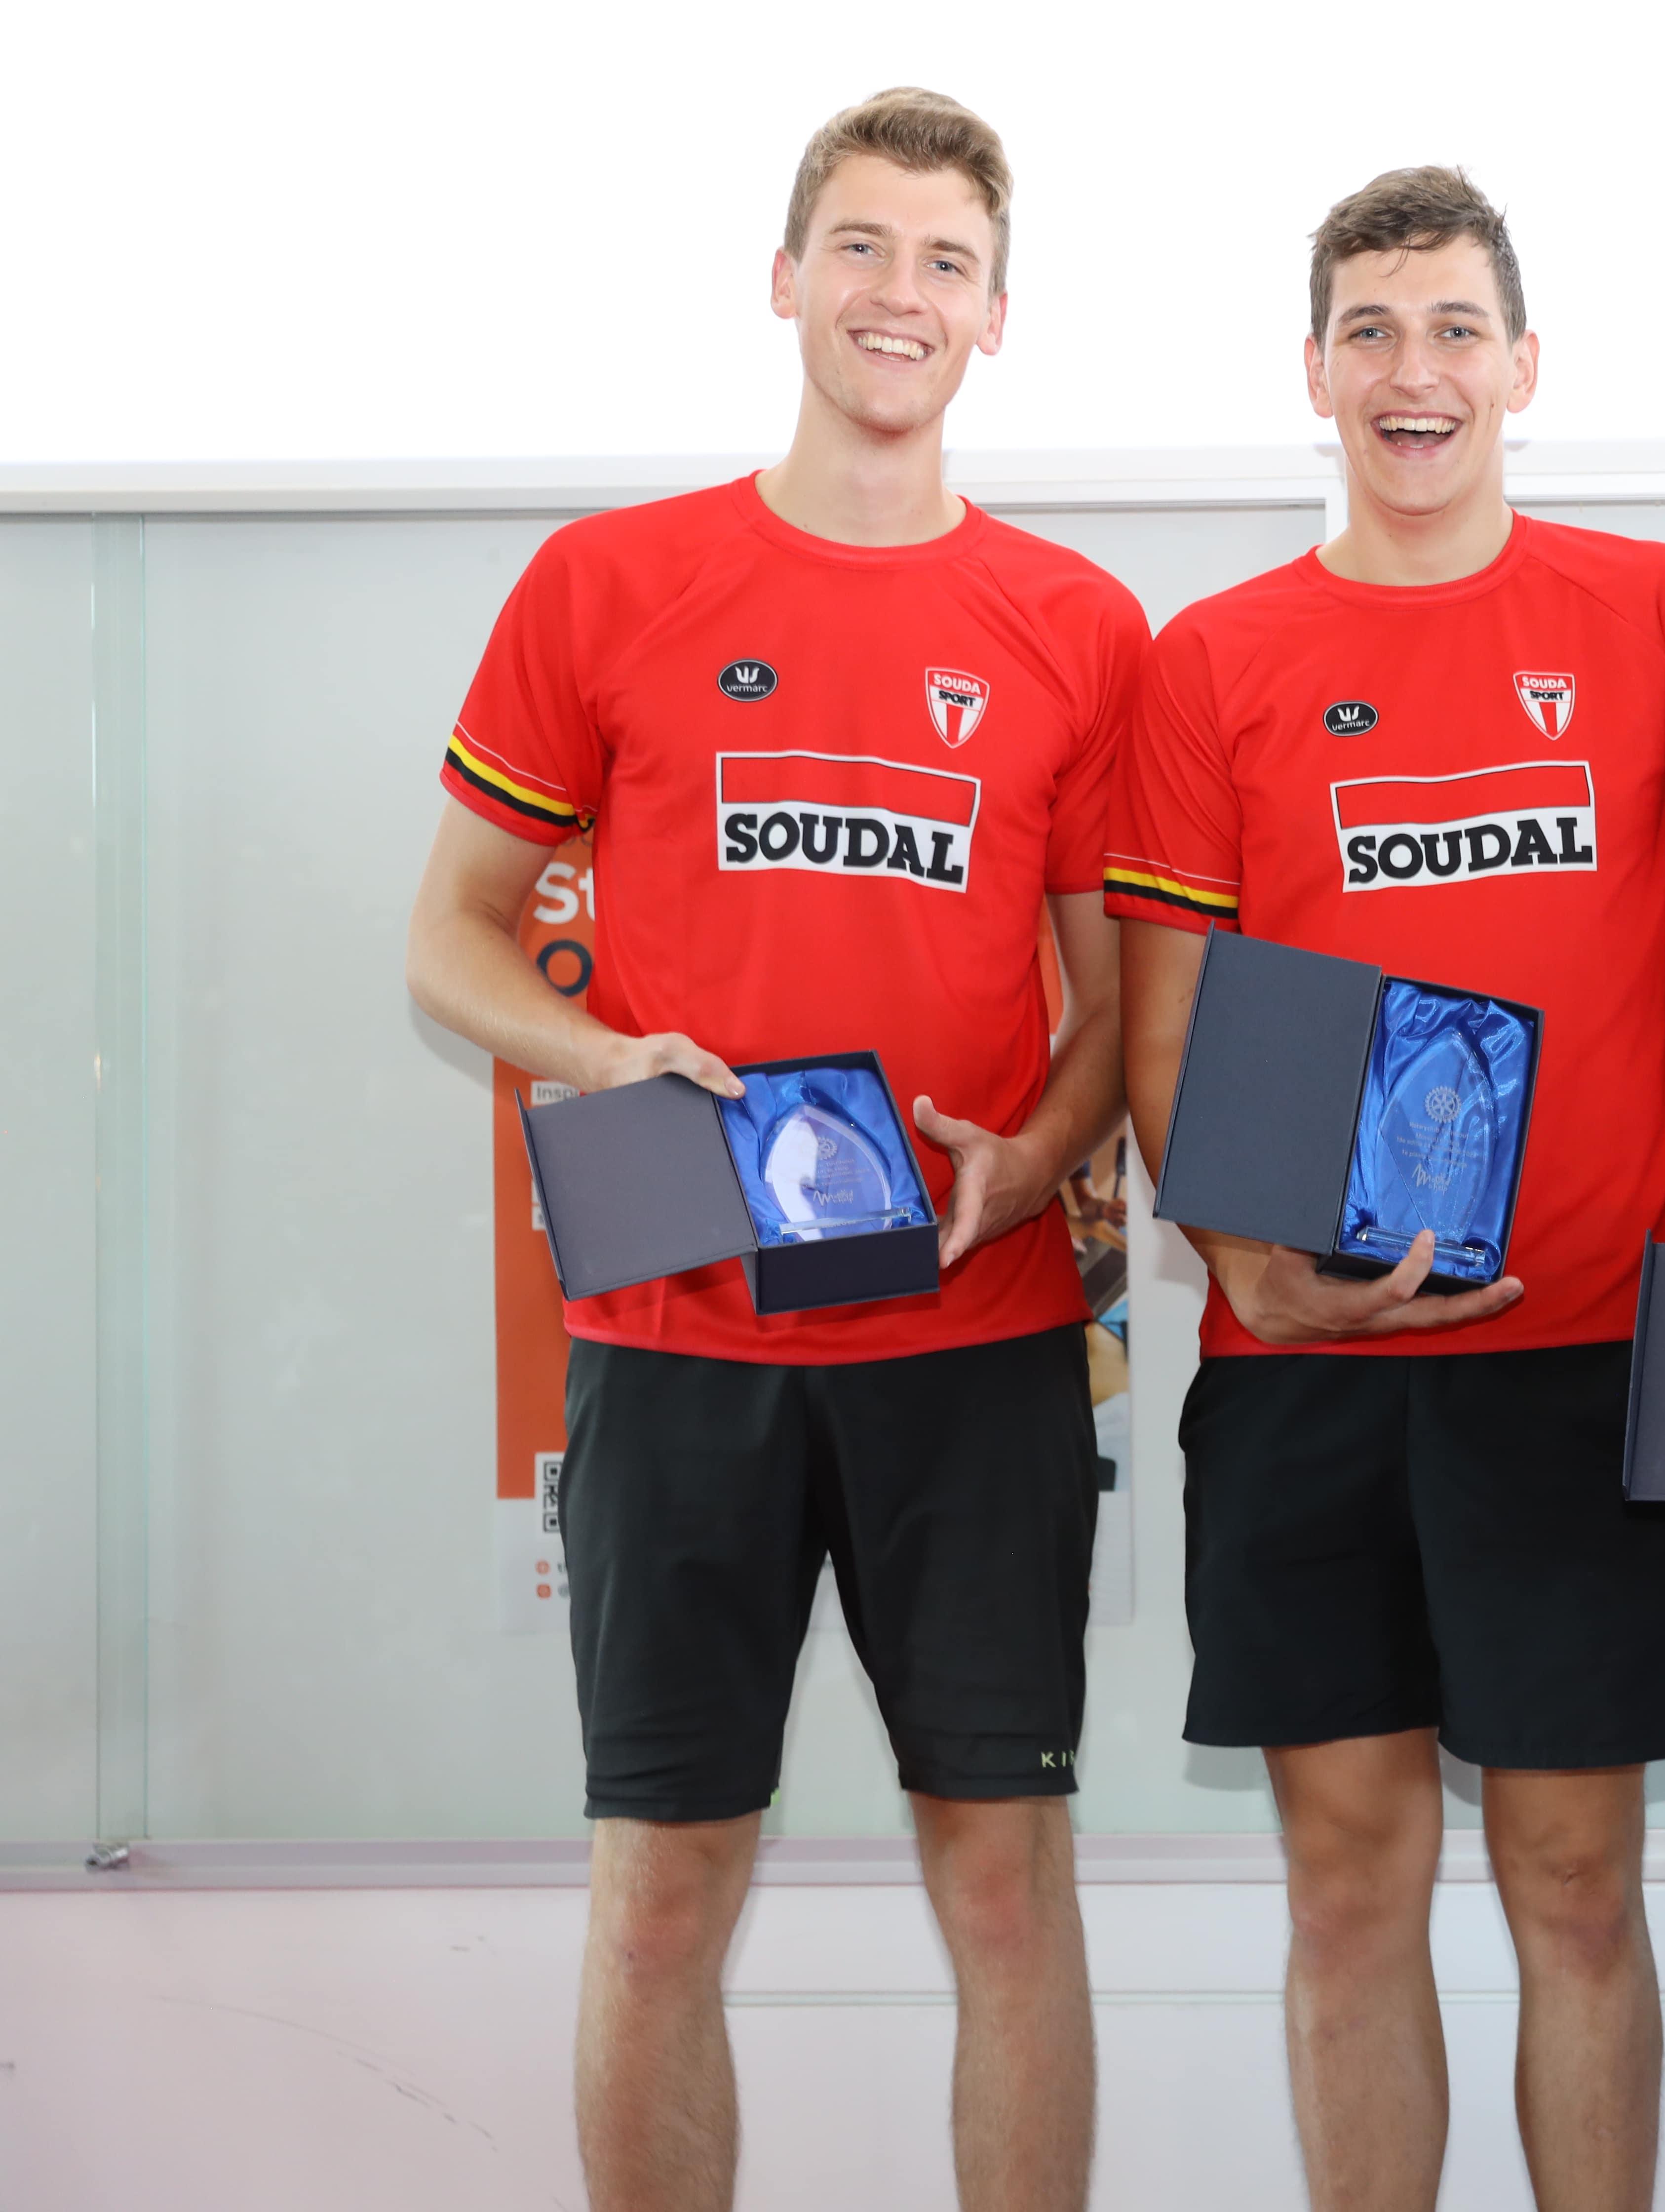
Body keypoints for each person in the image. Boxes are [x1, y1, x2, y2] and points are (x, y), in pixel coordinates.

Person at [404, 89, 1141, 2212]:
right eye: (863, 247)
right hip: (671, 1339)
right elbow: (450, 933)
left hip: (975, 1342)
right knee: (659, 1900)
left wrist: (1040, 1152)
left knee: (1003, 1887)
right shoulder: (610, 578)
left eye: (945, 262)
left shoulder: (1077, 623)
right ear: (787, 276)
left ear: (996, 314)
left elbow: (1119, 1014)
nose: (899, 294)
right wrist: (606, 1048)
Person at [1108, 167, 1665, 2211]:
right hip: (1307, 1373)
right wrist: (1246, 1265)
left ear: (1525, 365)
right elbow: (1166, 1031)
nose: (1418, 372)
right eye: (1375, 332)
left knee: (1577, 1886)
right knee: (1346, 1886)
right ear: (1315, 372)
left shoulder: (1658, 617)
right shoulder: (1213, 659)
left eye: (1457, 329)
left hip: (1582, 1358)